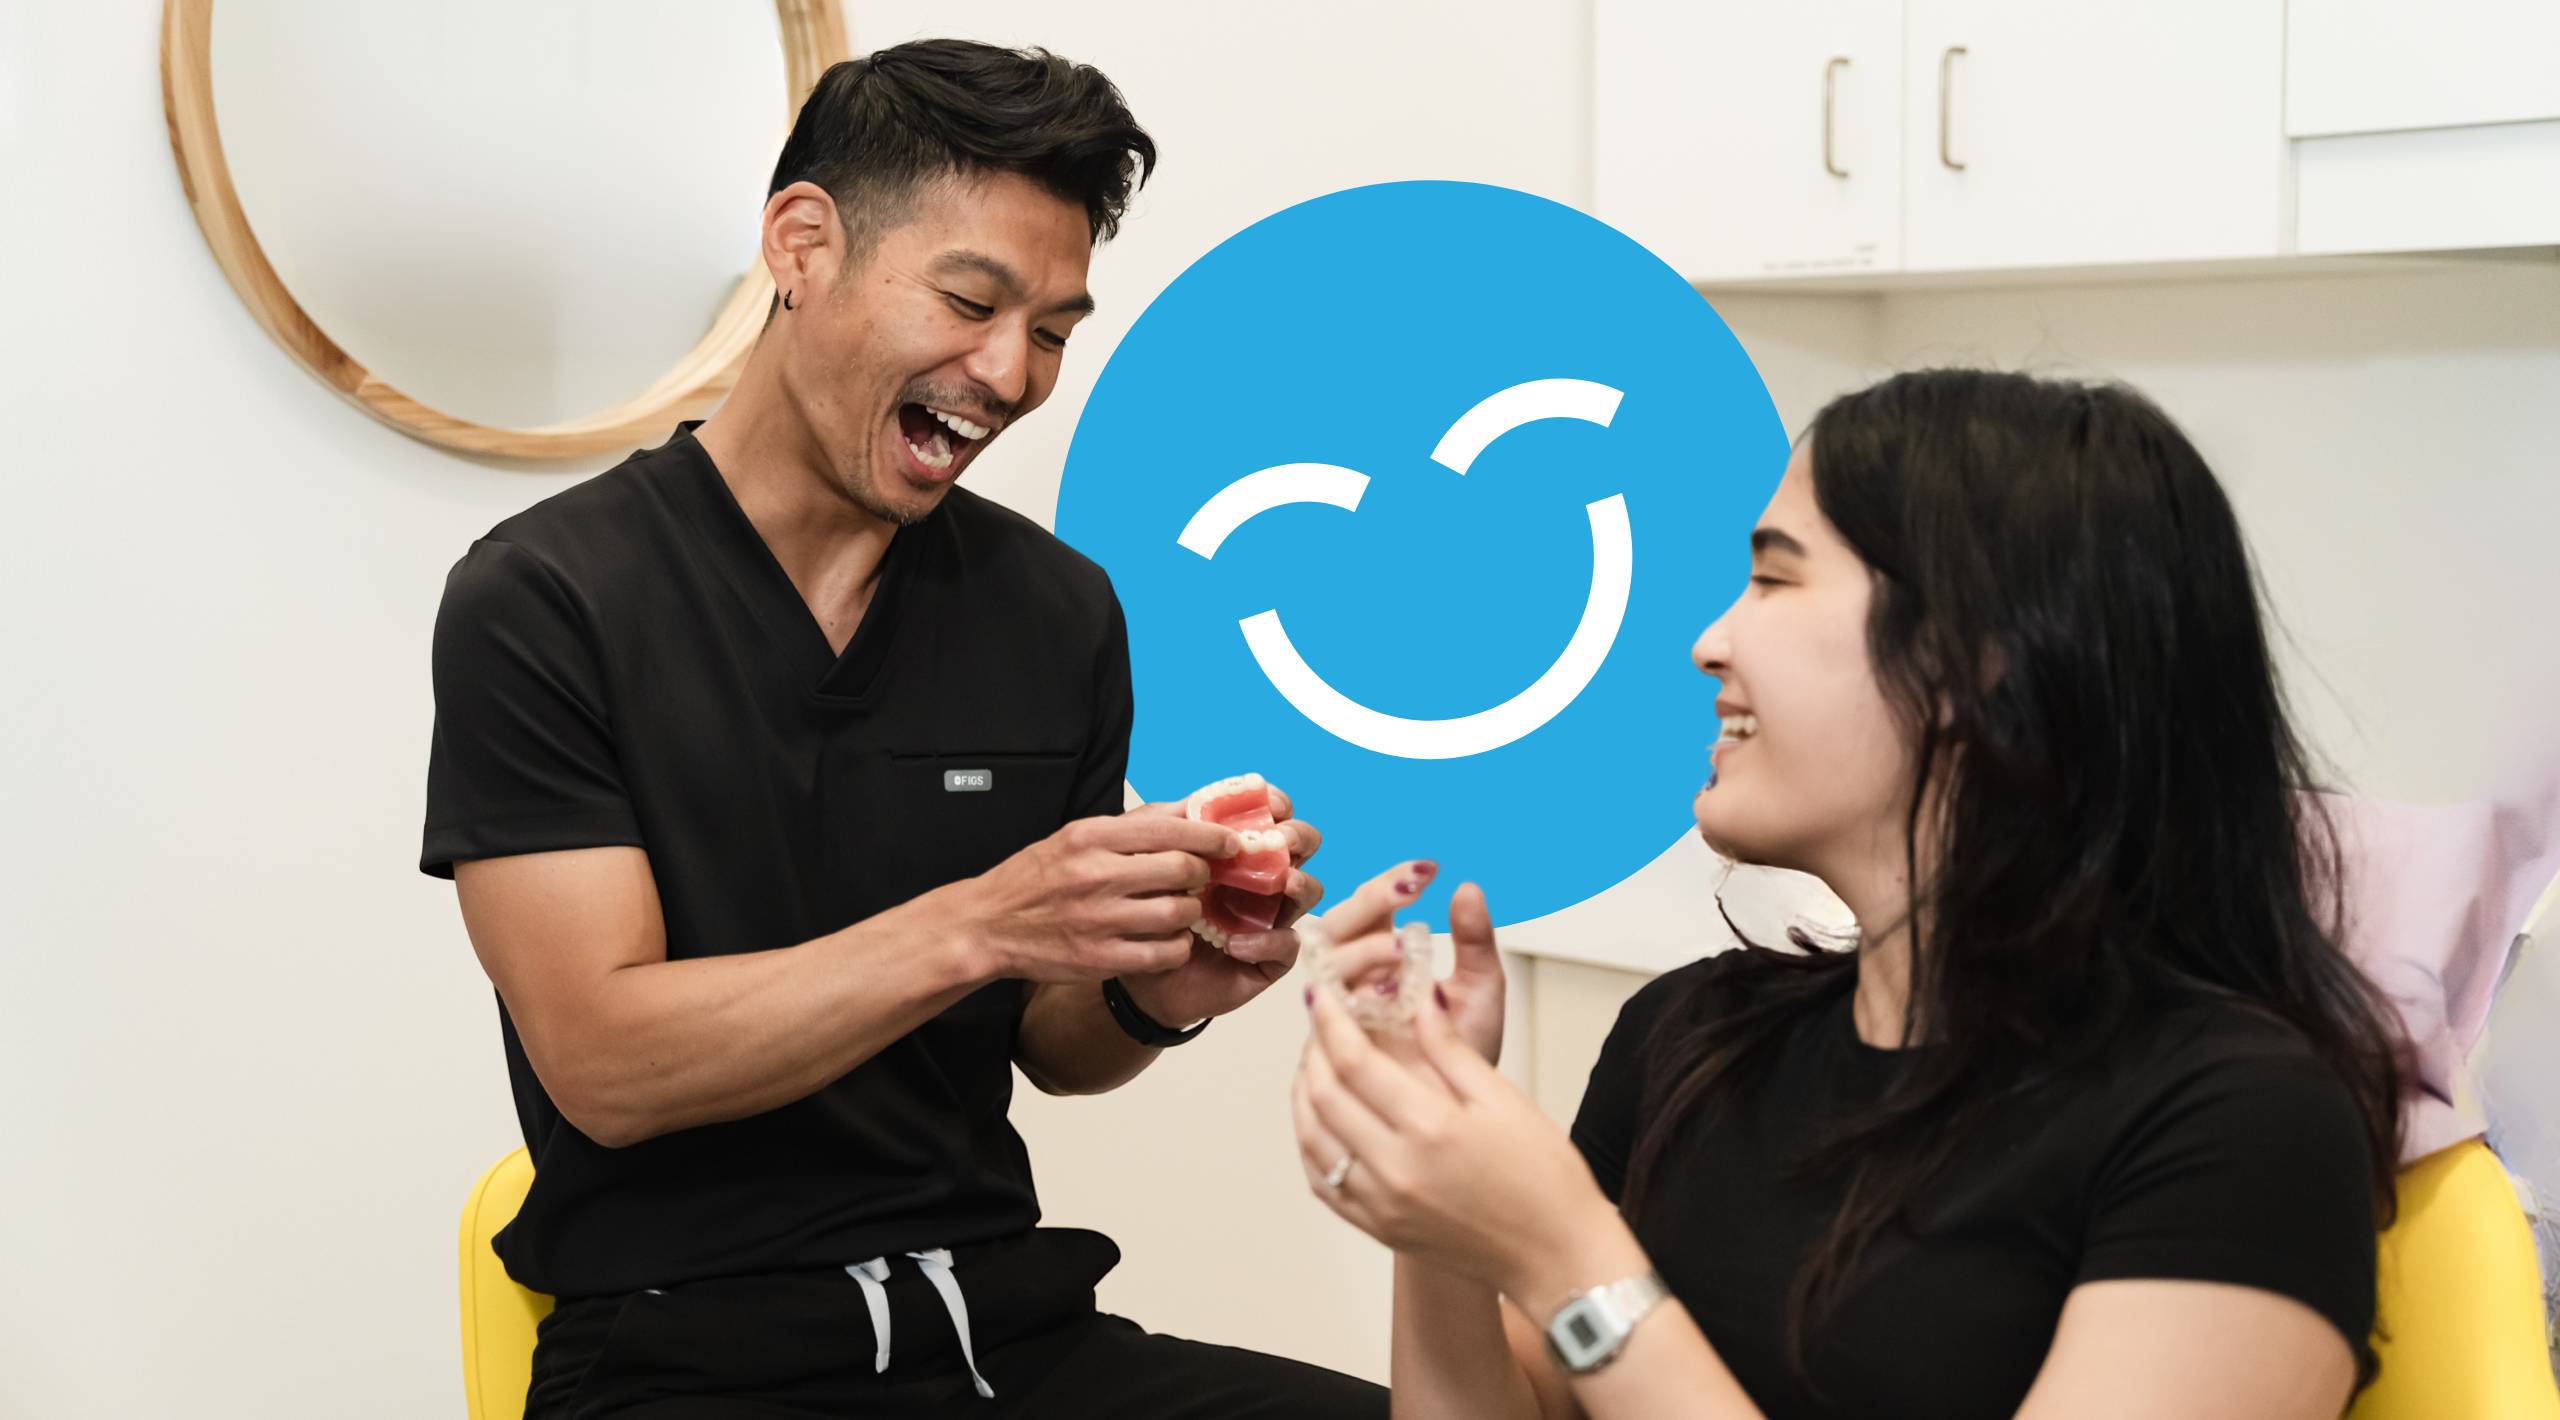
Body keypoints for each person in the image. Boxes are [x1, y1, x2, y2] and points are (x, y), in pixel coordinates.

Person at [422, 39, 1384, 1419]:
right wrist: (985, 922)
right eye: (970, 300)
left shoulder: (1057, 613)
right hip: (683, 1365)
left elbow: (1053, 1048)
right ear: (802, 244)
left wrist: (1155, 987)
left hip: (1008, 1332)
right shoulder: (548, 601)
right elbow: (608, 1066)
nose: (1007, 373)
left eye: (1052, 329)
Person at [1292, 368, 2407, 1419]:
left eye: (1773, 576)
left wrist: (1568, 1258)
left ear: (1979, 657)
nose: (1708, 642)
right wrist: (1436, 1198)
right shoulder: (1691, 1037)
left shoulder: (2237, 1121)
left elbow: (1593, 1309)